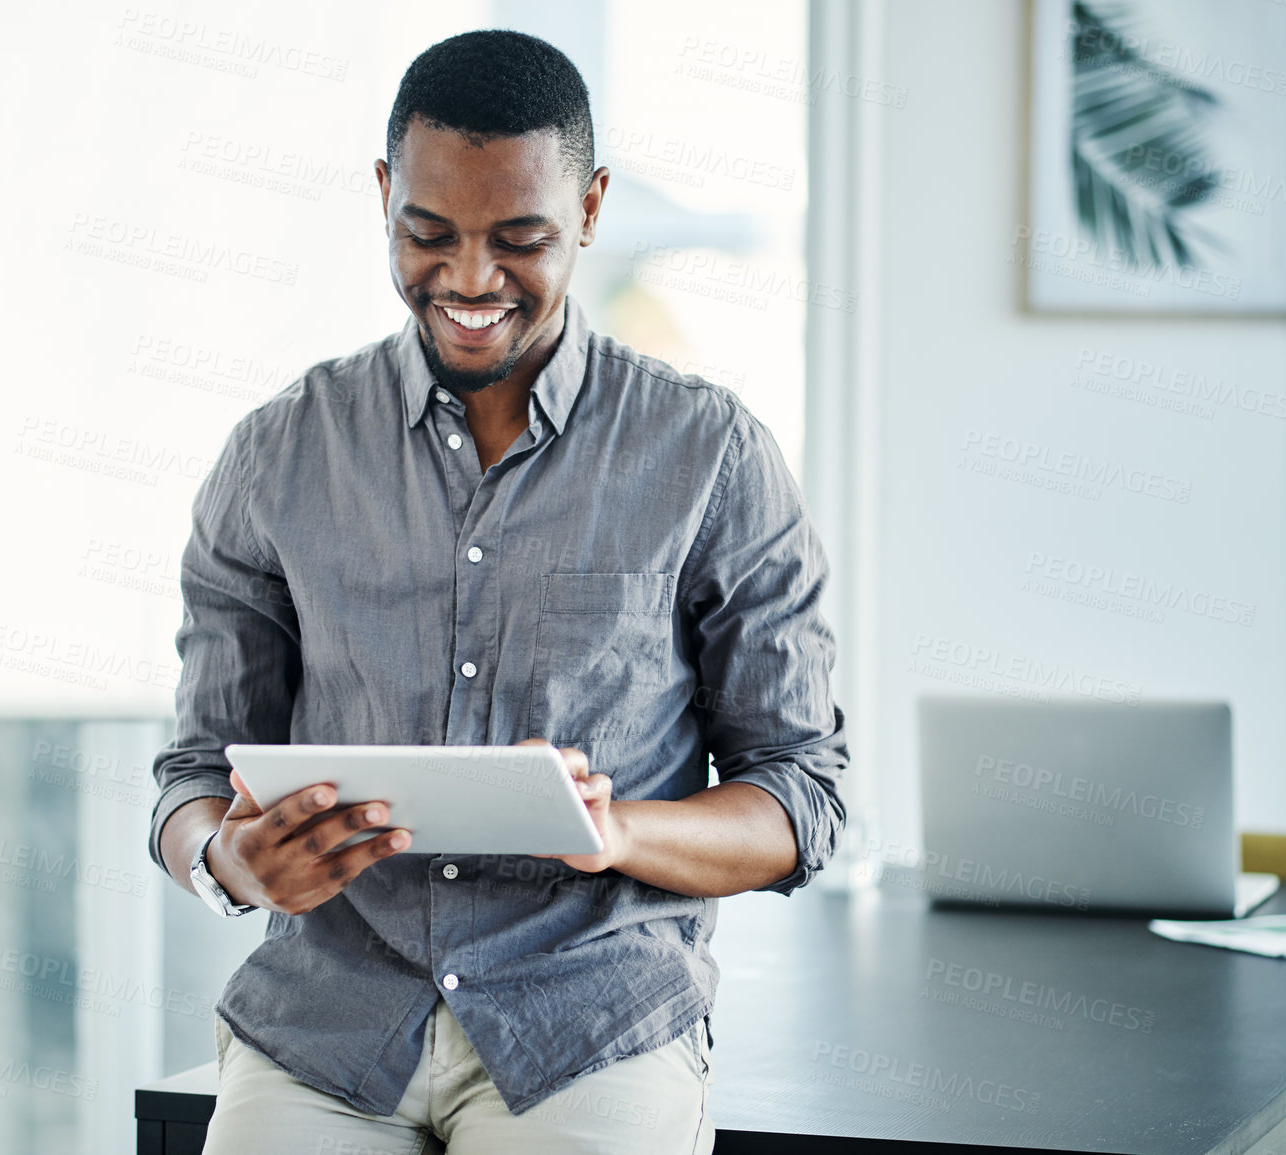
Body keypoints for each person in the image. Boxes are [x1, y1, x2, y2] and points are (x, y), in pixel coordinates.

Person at [148, 28, 847, 1155]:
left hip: (588, 1021)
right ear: (383, 196)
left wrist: (610, 831)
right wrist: (229, 861)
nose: (469, 280)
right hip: (329, 1030)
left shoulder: (708, 454)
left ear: (590, 209)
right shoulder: (277, 453)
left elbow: (798, 798)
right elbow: (191, 776)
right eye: (427, 234)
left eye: (517, 239)